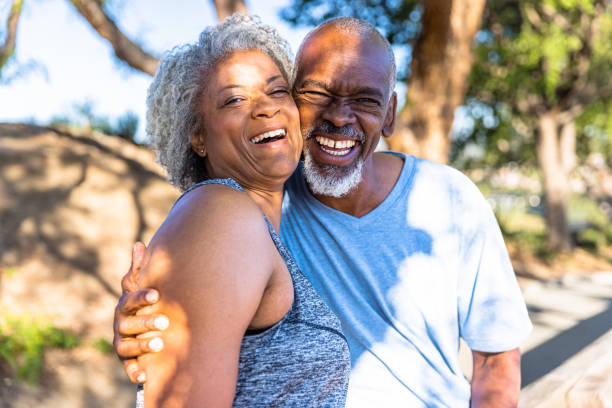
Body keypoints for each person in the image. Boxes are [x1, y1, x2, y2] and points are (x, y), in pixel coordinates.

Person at [115, 17, 532, 407]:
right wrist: (151, 322)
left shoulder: (449, 197)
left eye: (365, 100)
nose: (338, 116)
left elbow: (497, 360)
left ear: (390, 114)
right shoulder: (241, 206)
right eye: (317, 93)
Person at [125, 14, 350, 407]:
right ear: (198, 137)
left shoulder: (262, 222)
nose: (265, 109)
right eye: (234, 99)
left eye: (277, 91)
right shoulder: (220, 214)